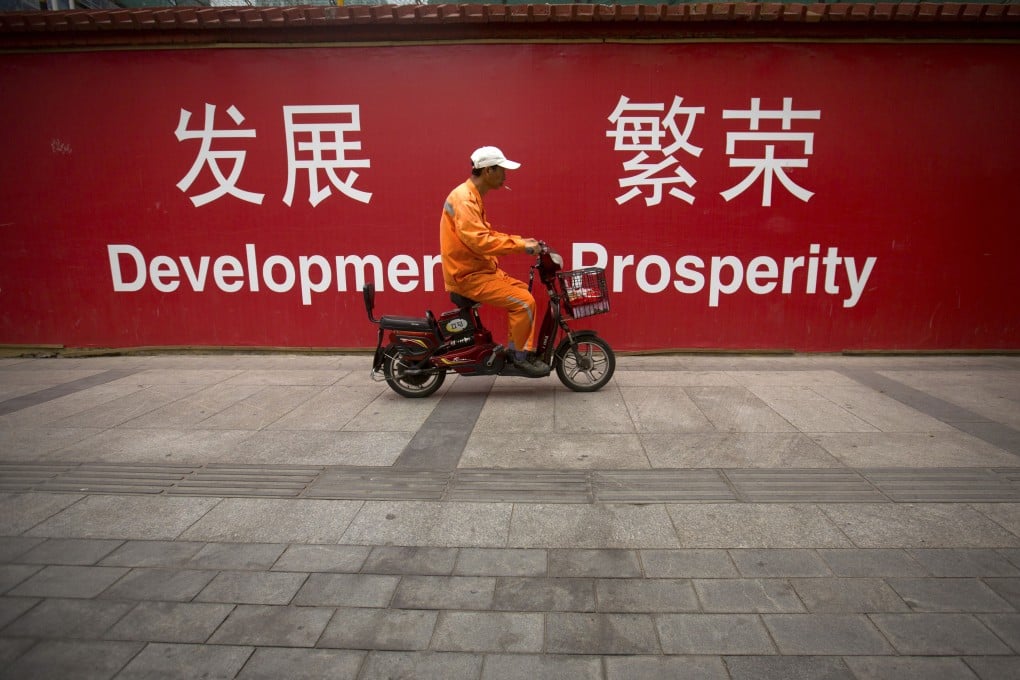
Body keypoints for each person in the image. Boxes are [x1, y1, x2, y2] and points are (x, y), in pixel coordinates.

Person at [439, 146, 550, 377]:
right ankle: (519, 358)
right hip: (468, 276)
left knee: (521, 291)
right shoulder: (465, 200)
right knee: (523, 303)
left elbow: (485, 235)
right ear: (488, 171)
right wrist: (521, 246)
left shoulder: (472, 196)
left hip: (480, 270)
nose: (505, 176)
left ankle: (519, 351)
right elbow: (481, 242)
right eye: (502, 170)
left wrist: (521, 241)